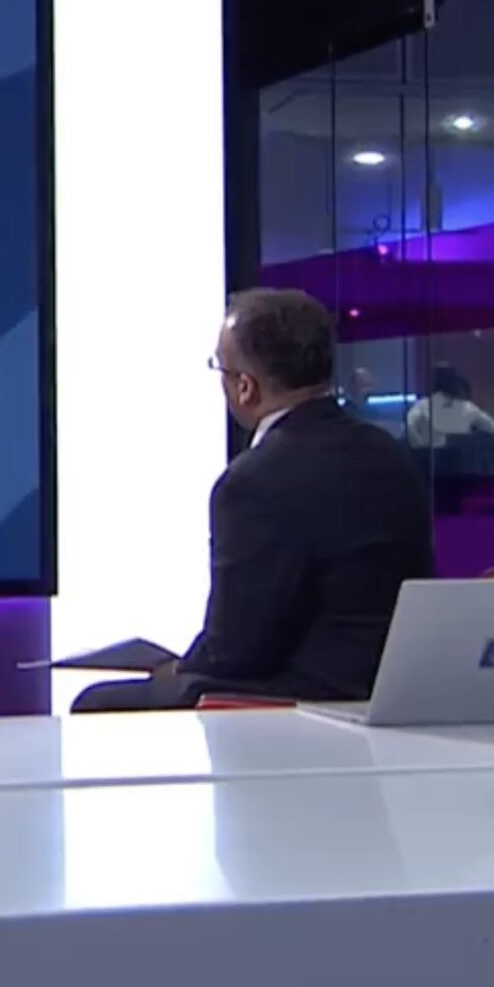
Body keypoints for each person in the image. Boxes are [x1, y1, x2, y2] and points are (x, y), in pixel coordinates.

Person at [73, 290, 435, 711]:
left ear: (245, 387)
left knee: (96, 702)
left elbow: (235, 651)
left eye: (220, 369)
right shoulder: (389, 453)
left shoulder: (252, 482)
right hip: (392, 691)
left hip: (309, 697)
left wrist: (177, 669)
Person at [404, 365, 494, 449]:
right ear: (455, 383)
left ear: (432, 382)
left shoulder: (421, 406)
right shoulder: (468, 407)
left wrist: (421, 448)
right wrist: (475, 439)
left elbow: (409, 429)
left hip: (426, 463)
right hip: (460, 463)